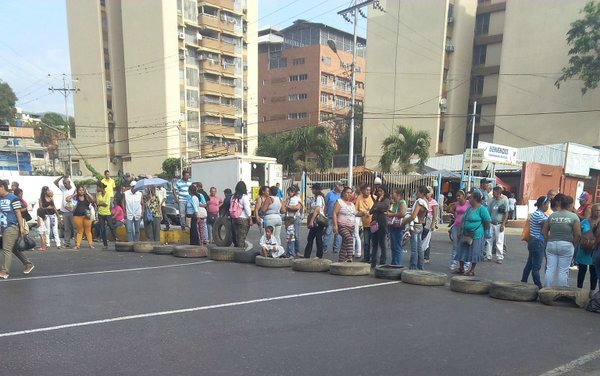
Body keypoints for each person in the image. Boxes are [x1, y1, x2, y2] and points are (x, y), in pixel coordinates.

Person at [542, 194, 581, 287]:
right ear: (570, 205)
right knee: (563, 270)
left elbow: (544, 231)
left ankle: (546, 290)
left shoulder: (552, 215)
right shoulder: (574, 217)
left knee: (550, 268)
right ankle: (561, 292)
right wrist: (573, 244)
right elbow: (578, 234)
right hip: (566, 244)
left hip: (552, 244)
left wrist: (548, 240)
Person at [0, 180, 34, 279]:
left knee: (6, 249)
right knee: (14, 248)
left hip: (11, 226)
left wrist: (21, 227)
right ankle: (28, 264)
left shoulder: (13, 198)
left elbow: (18, 213)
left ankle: (4, 271)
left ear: (2, 187)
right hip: (3, 227)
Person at [456, 189, 491, 276]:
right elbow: (464, 219)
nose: (469, 200)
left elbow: (487, 221)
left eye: (470, 198)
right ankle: (461, 267)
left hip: (476, 234)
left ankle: (472, 270)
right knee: (462, 250)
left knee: (474, 252)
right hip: (465, 233)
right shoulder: (469, 208)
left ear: (475, 199)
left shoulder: (482, 209)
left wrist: (486, 230)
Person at [521, 196, 549, 289]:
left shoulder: (539, 214)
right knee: (536, 266)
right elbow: (547, 224)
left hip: (534, 241)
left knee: (530, 264)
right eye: (547, 204)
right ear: (543, 205)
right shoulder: (538, 215)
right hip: (538, 241)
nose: (548, 206)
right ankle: (539, 286)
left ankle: (523, 281)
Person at [403, 186, 429, 270]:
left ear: (421, 193)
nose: (416, 193)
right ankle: (420, 267)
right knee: (419, 248)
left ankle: (413, 267)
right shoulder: (426, 202)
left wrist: (405, 221)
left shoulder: (419, 202)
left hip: (414, 226)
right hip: (420, 225)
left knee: (414, 249)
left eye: (417, 192)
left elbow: (413, 216)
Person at [576, 203, 599, 294]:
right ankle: (579, 290)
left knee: (594, 272)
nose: (598, 212)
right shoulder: (584, 222)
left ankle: (592, 291)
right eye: (596, 210)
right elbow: (578, 234)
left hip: (595, 250)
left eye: (599, 210)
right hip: (583, 250)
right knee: (582, 270)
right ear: (591, 211)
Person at [333, 186, 358, 263]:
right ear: (343, 193)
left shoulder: (352, 204)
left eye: (350, 193)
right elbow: (334, 213)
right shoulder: (339, 202)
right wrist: (335, 225)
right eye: (347, 192)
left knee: (344, 244)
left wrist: (363, 213)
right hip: (342, 226)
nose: (349, 194)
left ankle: (340, 260)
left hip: (351, 227)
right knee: (349, 239)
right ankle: (350, 258)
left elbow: (356, 213)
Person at [485, 186, 509, 264]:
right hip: (492, 223)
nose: (493, 195)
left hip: (499, 224)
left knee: (499, 241)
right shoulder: (491, 201)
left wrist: (503, 224)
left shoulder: (504, 200)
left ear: (499, 193)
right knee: (489, 240)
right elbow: (488, 212)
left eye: (494, 193)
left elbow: (506, 213)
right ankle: (488, 256)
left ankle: (499, 257)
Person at [369, 185, 391, 268]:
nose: (379, 193)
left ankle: (382, 262)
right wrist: (377, 205)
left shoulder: (386, 200)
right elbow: (371, 211)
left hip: (382, 223)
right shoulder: (377, 200)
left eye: (381, 191)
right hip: (374, 223)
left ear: (385, 191)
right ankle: (373, 262)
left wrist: (377, 206)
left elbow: (383, 207)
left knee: (382, 243)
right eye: (378, 191)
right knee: (374, 243)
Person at [448, 190, 470, 271]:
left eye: (459, 196)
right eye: (457, 196)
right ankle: (453, 263)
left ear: (464, 196)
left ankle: (466, 264)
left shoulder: (469, 203)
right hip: (456, 226)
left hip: (465, 227)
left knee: (465, 245)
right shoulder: (456, 204)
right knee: (455, 245)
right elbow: (451, 210)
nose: (458, 197)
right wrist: (455, 214)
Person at [304, 183, 326, 259]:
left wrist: (311, 221)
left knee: (318, 238)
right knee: (310, 238)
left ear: (316, 190)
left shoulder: (319, 198)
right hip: (315, 220)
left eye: (313, 189)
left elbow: (317, 209)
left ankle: (319, 255)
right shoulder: (315, 198)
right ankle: (306, 255)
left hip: (317, 221)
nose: (312, 190)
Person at [72, 185, 96, 250]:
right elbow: (68, 201)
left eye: (83, 190)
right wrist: (74, 194)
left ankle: (90, 244)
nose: (81, 191)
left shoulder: (87, 197)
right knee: (79, 231)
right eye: (80, 190)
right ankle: (77, 245)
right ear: (77, 190)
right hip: (77, 216)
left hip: (86, 216)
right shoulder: (75, 198)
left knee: (88, 230)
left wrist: (88, 193)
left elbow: (93, 200)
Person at [387, 188, 406, 266]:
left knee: (397, 246)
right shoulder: (395, 203)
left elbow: (402, 213)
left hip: (398, 227)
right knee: (393, 246)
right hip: (393, 226)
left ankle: (397, 264)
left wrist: (392, 215)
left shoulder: (402, 203)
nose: (392, 195)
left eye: (393, 193)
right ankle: (394, 262)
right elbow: (390, 211)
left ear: (398, 195)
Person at [54, 175, 75, 247]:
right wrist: (61, 177)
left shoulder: (74, 189)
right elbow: (55, 182)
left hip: (72, 211)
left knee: (74, 227)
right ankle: (67, 243)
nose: (65, 185)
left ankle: (76, 242)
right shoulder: (63, 189)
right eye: (64, 184)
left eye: (66, 183)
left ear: (69, 182)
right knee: (66, 228)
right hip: (64, 211)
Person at [229, 181, 252, 247]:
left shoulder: (233, 197)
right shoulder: (244, 197)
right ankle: (240, 253)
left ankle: (236, 250)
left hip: (234, 218)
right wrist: (250, 219)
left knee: (237, 236)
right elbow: (247, 209)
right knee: (242, 237)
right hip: (243, 219)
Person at [355, 184, 374, 263]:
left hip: (374, 224)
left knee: (374, 242)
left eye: (369, 190)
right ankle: (366, 258)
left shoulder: (374, 198)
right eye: (367, 190)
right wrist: (362, 213)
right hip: (365, 224)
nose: (368, 192)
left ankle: (374, 258)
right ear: (362, 190)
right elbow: (356, 211)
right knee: (366, 242)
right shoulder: (359, 198)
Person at [281, 186, 302, 255]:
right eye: (288, 192)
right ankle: (290, 251)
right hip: (288, 219)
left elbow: (297, 207)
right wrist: (288, 207)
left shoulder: (298, 199)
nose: (289, 193)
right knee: (289, 235)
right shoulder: (287, 200)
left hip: (296, 218)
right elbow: (282, 209)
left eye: (290, 192)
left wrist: (288, 207)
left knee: (296, 235)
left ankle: (297, 251)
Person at [323, 181, 343, 253]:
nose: (342, 187)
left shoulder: (342, 195)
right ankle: (324, 248)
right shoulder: (329, 194)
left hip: (339, 217)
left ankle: (336, 248)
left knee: (338, 234)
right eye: (340, 185)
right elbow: (325, 204)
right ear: (336, 185)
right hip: (330, 217)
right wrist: (324, 214)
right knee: (328, 232)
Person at [96, 183, 117, 249]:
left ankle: (116, 239)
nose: (97, 189)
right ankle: (105, 244)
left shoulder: (108, 194)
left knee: (111, 226)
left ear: (101, 188)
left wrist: (100, 203)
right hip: (100, 213)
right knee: (102, 229)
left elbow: (106, 204)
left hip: (107, 213)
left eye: (98, 187)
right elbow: (97, 203)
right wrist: (101, 203)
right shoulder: (98, 195)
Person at [422, 186, 438, 264]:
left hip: (429, 220)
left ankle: (426, 257)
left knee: (427, 239)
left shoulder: (434, 202)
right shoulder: (422, 200)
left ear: (431, 193)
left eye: (428, 192)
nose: (427, 194)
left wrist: (433, 224)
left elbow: (435, 215)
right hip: (422, 220)